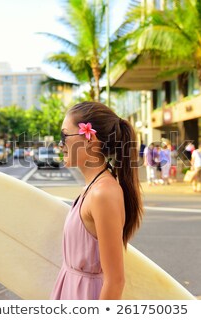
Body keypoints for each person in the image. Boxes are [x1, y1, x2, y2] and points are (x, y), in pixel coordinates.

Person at [51, 101, 144, 300]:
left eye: (64, 136)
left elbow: (115, 281)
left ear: (89, 138)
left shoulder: (103, 193)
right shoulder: (93, 187)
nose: (60, 144)